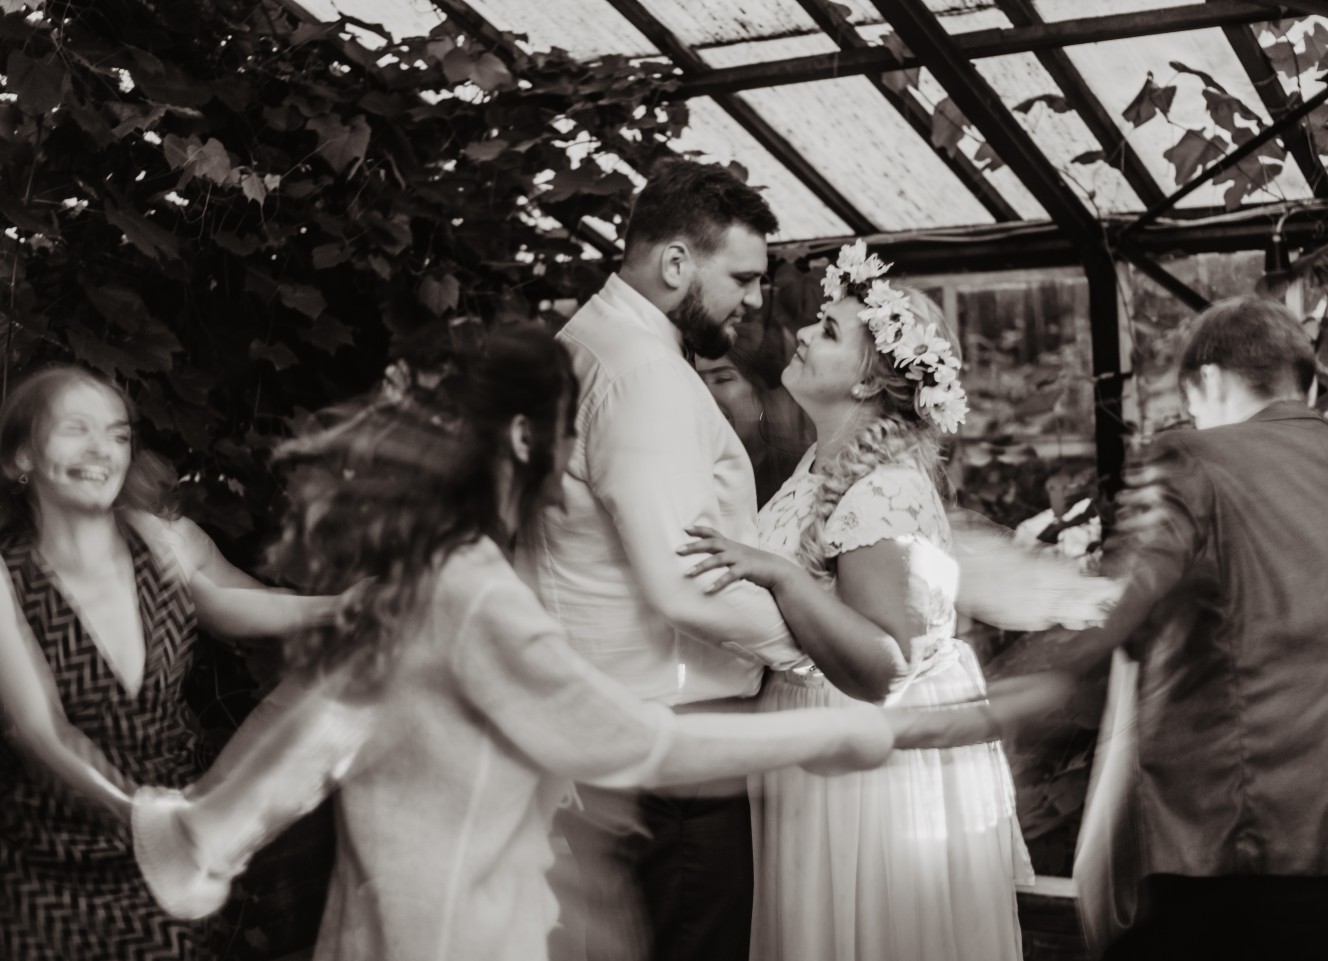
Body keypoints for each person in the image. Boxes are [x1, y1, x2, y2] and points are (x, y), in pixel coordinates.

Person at [127, 324, 1012, 961]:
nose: (577, 458)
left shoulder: (418, 574)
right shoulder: (472, 591)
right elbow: (645, 743)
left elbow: (295, 737)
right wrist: (865, 729)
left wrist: (202, 829)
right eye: (568, 431)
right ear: (523, 438)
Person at [974, 297, 1328, 960]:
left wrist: (1009, 616)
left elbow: (1111, 611)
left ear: (1209, 382)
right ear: (1307, 387)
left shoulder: (1195, 459)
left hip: (1245, 856)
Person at [679, 241, 1032, 960]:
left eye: (830, 330)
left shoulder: (885, 490)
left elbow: (883, 667)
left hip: (860, 767)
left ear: (870, 380)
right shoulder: (821, 463)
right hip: (811, 743)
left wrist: (776, 576)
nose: (804, 333)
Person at [516, 159, 809, 961]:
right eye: (742, 277)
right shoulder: (643, 374)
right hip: (671, 753)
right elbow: (686, 585)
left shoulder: (584, 344)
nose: (755, 300)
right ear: (676, 262)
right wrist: (818, 647)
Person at [0, 365, 338, 961]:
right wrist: (147, 821)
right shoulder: (6, 575)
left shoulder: (160, 539)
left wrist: (345, 607)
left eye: (118, 434)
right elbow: (39, 730)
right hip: (52, 864)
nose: (103, 449)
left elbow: (229, 603)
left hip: (174, 869)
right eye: (76, 429)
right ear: (21, 457)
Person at [696, 320, 813, 504]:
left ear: (760, 389)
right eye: (696, 380)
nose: (703, 394)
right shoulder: (689, 469)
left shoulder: (798, 472)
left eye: (723, 378)